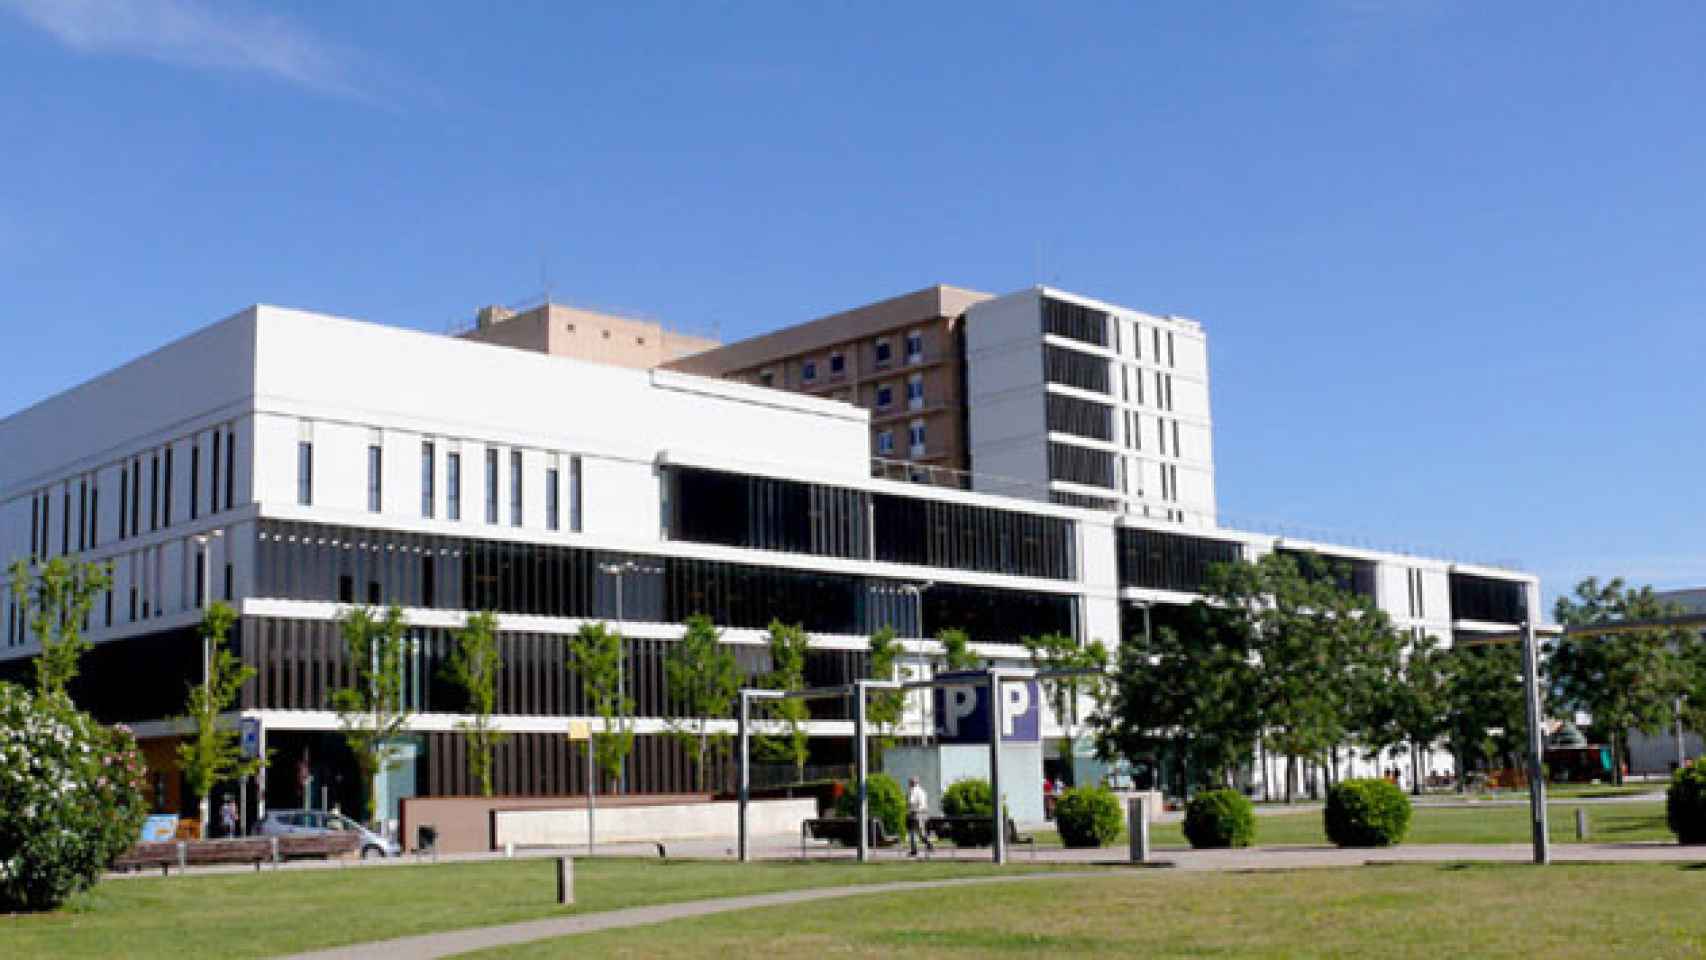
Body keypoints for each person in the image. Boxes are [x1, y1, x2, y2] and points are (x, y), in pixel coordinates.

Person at [906, 777, 933, 857]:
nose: (909, 784)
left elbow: (911, 802)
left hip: (916, 813)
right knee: (921, 833)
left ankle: (914, 851)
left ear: (913, 783)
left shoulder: (913, 790)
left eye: (910, 782)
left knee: (913, 833)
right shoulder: (922, 791)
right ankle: (929, 845)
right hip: (923, 813)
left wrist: (910, 809)